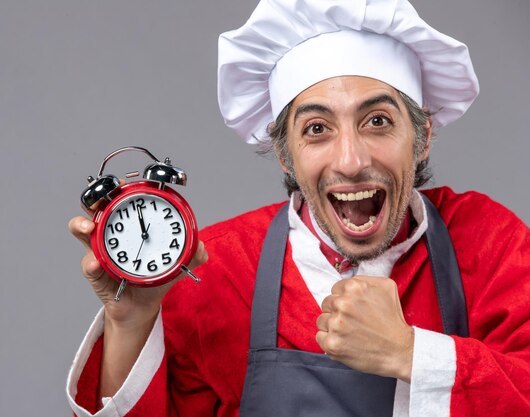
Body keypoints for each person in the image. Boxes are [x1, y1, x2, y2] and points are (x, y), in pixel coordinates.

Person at [67, 0, 530, 416]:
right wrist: (130, 322)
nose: (351, 161)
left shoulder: (490, 245)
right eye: (316, 129)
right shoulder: (220, 269)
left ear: (423, 135)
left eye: (378, 122)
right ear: (286, 153)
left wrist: (410, 353)